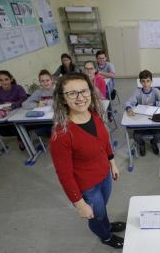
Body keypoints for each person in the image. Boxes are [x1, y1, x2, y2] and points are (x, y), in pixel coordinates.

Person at [50, 73, 124, 249]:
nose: (80, 97)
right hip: (87, 186)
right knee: (96, 215)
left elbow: (104, 142)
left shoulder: (94, 115)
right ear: (62, 99)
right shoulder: (61, 135)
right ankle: (105, 236)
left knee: (101, 209)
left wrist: (112, 163)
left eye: (84, 91)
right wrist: (80, 204)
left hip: (104, 175)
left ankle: (107, 225)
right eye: (72, 93)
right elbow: (65, 176)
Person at [124, 70, 160, 156]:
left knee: (159, 135)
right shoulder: (138, 91)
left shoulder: (156, 91)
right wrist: (129, 108)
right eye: (143, 81)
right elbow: (128, 102)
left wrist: (154, 104)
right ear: (140, 82)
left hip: (153, 120)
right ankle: (141, 144)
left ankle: (153, 142)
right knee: (136, 136)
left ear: (151, 81)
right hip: (141, 121)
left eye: (148, 81)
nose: (146, 84)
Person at [0, 70, 27, 150]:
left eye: (6, 79)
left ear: (11, 79)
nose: (4, 82)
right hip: (5, 115)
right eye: (1, 80)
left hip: (19, 113)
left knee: (17, 127)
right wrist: (0, 103)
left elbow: (24, 99)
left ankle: (22, 139)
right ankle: (22, 136)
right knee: (1, 131)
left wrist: (12, 105)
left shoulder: (18, 88)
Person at [22, 69, 55, 137]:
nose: (45, 83)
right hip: (45, 119)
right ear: (39, 82)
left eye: (47, 80)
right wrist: (37, 105)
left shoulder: (58, 89)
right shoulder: (38, 92)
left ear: (52, 80)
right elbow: (24, 104)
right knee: (40, 131)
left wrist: (52, 103)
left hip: (58, 118)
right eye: (42, 81)